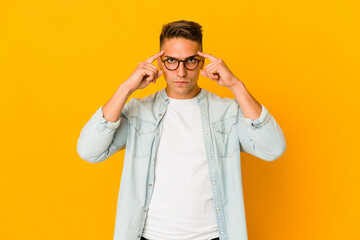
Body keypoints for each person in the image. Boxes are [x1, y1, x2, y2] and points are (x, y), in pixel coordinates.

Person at [77, 20, 286, 240]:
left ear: (202, 61)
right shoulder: (139, 111)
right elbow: (89, 151)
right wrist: (126, 88)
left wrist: (236, 85)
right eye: (171, 61)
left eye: (190, 61)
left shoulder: (227, 112)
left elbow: (273, 148)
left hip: (212, 236)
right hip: (150, 236)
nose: (181, 71)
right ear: (159, 61)